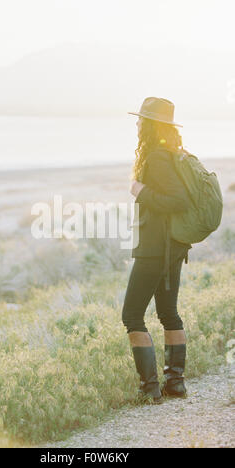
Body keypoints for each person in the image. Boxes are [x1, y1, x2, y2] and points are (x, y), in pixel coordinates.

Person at [122, 97, 192, 403]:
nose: (137, 124)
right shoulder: (167, 153)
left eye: (141, 119)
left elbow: (177, 201)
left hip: (155, 249)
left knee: (132, 315)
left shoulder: (158, 159)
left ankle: (149, 389)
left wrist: (140, 191)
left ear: (150, 125)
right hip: (171, 247)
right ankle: (174, 384)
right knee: (168, 313)